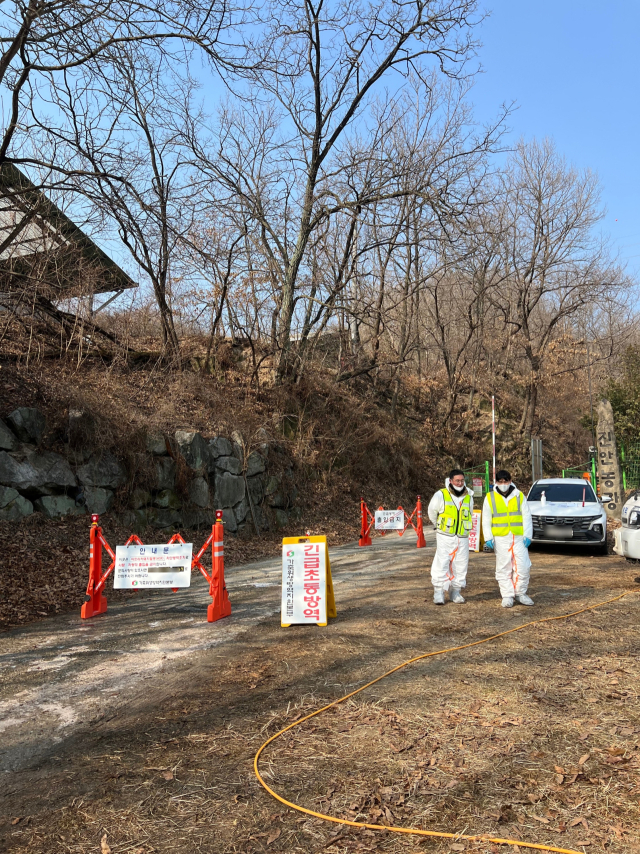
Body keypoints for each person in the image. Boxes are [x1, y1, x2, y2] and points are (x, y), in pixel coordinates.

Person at [482, 469, 534, 608]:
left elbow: (526, 516)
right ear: (496, 483)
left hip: (518, 537)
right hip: (500, 537)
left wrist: (528, 535)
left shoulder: (519, 496)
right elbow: (486, 519)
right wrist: (488, 537)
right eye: (500, 481)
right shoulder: (490, 497)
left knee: (523, 566)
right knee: (504, 568)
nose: (503, 484)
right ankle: (507, 595)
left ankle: (520, 593)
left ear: (510, 481)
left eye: (506, 481)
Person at [427, 469, 474, 605]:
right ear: (451, 481)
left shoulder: (469, 496)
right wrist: (438, 526)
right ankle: (439, 592)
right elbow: (432, 511)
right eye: (457, 480)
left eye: (462, 480)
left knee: (461, 564)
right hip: (445, 536)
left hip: (462, 536)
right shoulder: (441, 494)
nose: (460, 483)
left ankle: (456, 591)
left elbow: (469, 513)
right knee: (442, 563)